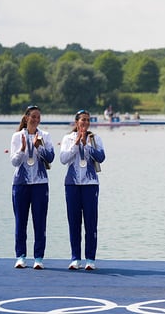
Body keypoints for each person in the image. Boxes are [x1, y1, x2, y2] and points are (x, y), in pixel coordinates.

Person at [10, 105, 55, 270]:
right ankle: (20, 256)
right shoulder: (17, 136)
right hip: (20, 184)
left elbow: (50, 157)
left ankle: (38, 257)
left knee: (40, 222)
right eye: (33, 116)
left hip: (40, 184)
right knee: (20, 222)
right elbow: (14, 162)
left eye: (38, 117)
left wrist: (38, 146)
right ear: (26, 117)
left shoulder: (45, 136)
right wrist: (22, 149)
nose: (36, 120)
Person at [60, 110, 105, 270]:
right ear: (76, 122)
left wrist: (87, 146)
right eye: (82, 120)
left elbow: (101, 157)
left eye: (87, 120)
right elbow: (63, 159)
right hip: (72, 184)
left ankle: (90, 259)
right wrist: (76, 144)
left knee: (91, 223)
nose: (85, 123)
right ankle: (75, 258)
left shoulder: (94, 138)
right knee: (74, 222)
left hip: (90, 184)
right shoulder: (68, 138)